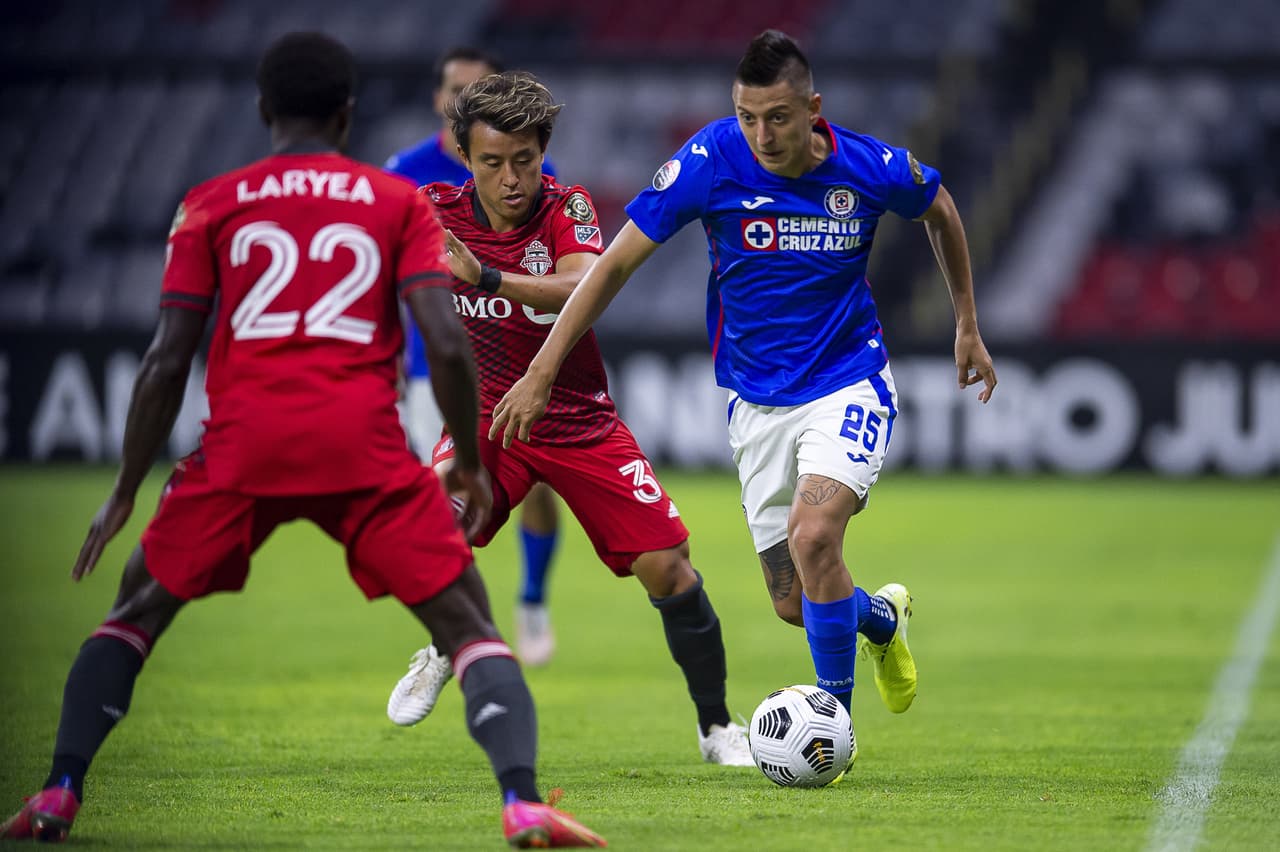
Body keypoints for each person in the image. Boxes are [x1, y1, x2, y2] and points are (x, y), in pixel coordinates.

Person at [0, 33, 603, 849]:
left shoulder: (211, 202)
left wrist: (123, 488)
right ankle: (523, 804)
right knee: (467, 627)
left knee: (132, 617)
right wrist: (465, 458)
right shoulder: (394, 203)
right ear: (347, 115)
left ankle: (60, 793)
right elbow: (447, 343)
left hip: (242, 443)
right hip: (360, 442)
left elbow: (165, 358)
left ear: (262, 110)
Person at [490, 31, 998, 728]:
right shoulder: (710, 159)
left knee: (815, 536)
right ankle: (880, 620)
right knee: (795, 600)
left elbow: (938, 207)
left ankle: (832, 730)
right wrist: (543, 368)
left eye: (778, 117)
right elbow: (610, 265)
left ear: (813, 108)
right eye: (747, 116)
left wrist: (966, 323)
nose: (760, 134)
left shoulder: (867, 165)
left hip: (848, 381)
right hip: (754, 401)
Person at [384, 71, 753, 768]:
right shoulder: (430, 210)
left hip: (577, 418)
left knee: (670, 570)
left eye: (524, 160)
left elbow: (581, 282)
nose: (511, 178)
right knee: (435, 523)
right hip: (488, 417)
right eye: (492, 163)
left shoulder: (566, 207)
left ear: (542, 152)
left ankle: (715, 729)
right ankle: (443, 646)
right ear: (466, 159)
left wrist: (487, 279)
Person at [386, 46, 562, 668]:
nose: (465, 98)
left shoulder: (527, 168)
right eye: (456, 88)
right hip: (430, 365)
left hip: (516, 358)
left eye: (478, 88)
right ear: (439, 99)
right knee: (448, 498)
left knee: (535, 486)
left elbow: (559, 270)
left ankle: (532, 599)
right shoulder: (405, 173)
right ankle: (450, 634)